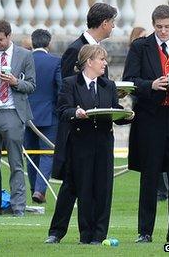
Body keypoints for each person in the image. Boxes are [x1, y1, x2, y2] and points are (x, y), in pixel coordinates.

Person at [123, 5, 169, 243]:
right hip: (149, 118)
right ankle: (145, 232)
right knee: (150, 175)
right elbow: (130, 80)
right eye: (159, 27)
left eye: (168, 27)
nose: (164, 31)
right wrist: (150, 85)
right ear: (153, 24)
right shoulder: (139, 47)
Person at [45, 2, 117, 244]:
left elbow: (102, 92)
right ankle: (58, 231)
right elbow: (67, 91)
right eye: (112, 22)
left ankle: (77, 233)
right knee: (73, 185)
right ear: (104, 22)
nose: (114, 27)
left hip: (99, 133)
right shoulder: (76, 50)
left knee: (82, 186)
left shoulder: (99, 60)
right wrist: (75, 113)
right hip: (76, 132)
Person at [58, 45, 132, 244]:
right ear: (89, 62)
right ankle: (85, 235)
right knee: (84, 189)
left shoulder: (109, 85)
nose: (105, 63)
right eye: (102, 59)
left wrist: (128, 116)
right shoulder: (70, 83)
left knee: (103, 189)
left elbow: (115, 111)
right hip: (81, 144)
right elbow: (63, 110)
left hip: (104, 143)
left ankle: (99, 235)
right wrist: (76, 112)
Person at [0, 20, 36, 217]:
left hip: (13, 111)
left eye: (0, 39)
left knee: (16, 163)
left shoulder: (25, 55)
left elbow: (32, 86)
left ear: (9, 36)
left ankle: (18, 205)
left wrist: (15, 82)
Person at [25, 29, 61, 203]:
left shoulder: (24, 59)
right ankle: (40, 190)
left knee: (31, 155)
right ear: (49, 43)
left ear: (32, 42)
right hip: (49, 115)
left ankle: (35, 189)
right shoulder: (55, 61)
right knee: (47, 153)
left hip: (26, 115)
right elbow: (60, 88)